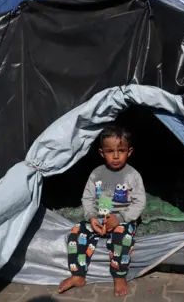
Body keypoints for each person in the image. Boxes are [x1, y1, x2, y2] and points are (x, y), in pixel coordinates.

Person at [57, 124, 146, 297]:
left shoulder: (133, 175)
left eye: (121, 150)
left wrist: (119, 219)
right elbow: (88, 198)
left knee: (123, 237)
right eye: (110, 151)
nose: (115, 156)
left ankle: (119, 276)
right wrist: (91, 217)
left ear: (129, 152)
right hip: (99, 219)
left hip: (122, 220)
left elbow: (139, 202)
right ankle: (78, 274)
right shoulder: (96, 174)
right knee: (76, 232)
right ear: (101, 153)